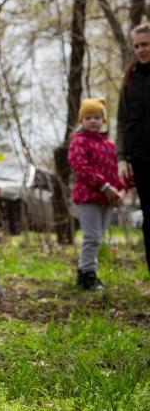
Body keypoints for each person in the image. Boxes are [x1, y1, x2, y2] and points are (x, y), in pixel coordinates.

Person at [69, 98, 126, 291]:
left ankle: (84, 272)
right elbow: (81, 167)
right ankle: (87, 275)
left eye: (96, 117)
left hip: (107, 199)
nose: (92, 121)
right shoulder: (79, 141)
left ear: (103, 120)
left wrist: (120, 189)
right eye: (88, 117)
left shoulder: (109, 145)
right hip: (88, 197)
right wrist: (104, 186)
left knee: (98, 237)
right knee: (92, 236)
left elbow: (114, 171)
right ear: (82, 120)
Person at [117, 23, 150, 275]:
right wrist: (121, 158)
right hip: (140, 160)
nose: (141, 50)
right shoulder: (130, 78)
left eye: (145, 44)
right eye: (137, 46)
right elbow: (121, 121)